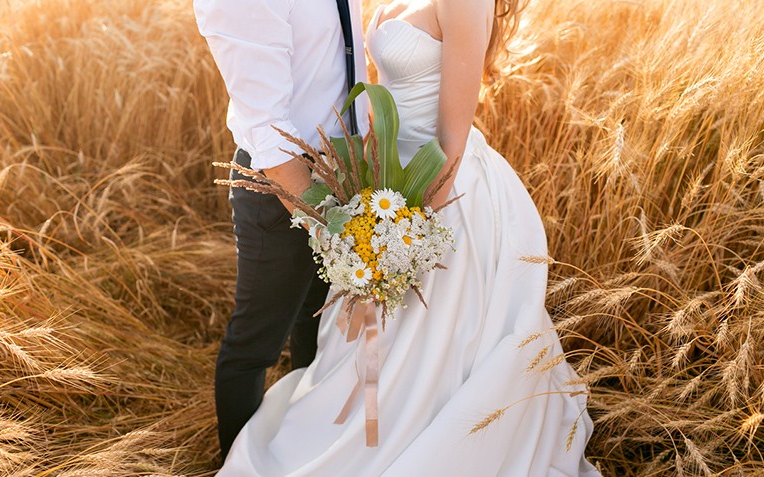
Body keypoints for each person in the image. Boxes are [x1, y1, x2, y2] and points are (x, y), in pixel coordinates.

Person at [218, 0, 601, 475]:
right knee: (343, 345)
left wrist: (409, 236)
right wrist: (374, 203)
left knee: (431, 348)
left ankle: (418, 441)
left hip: (434, 196)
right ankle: (361, 435)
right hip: (380, 187)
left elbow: (451, 140)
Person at [192, 0, 369, 461]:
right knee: (256, 342)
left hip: (345, 174)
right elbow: (266, 129)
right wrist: (329, 225)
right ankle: (237, 464)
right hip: (281, 185)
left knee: (320, 331)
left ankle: (304, 455)